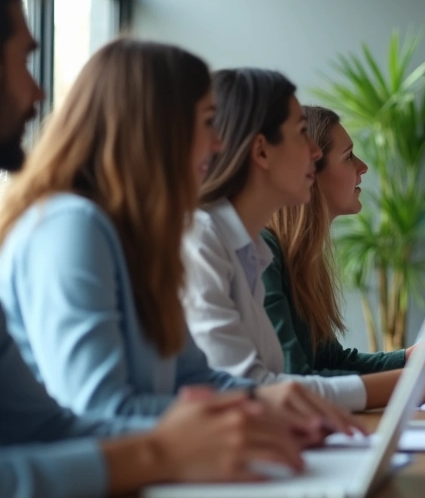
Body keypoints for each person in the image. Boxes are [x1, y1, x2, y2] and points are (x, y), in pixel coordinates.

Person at [0, 38, 355, 437]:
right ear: (157, 129)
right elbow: (104, 408)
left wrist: (268, 403)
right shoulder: (73, 227)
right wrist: (254, 410)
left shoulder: (141, 239)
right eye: (207, 122)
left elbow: (196, 378)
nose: (219, 143)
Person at [262, 105, 425, 398]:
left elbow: (329, 362)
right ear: (310, 172)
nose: (363, 166)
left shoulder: (301, 259)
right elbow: (296, 380)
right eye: (348, 156)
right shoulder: (262, 255)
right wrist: (416, 383)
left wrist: (410, 359)